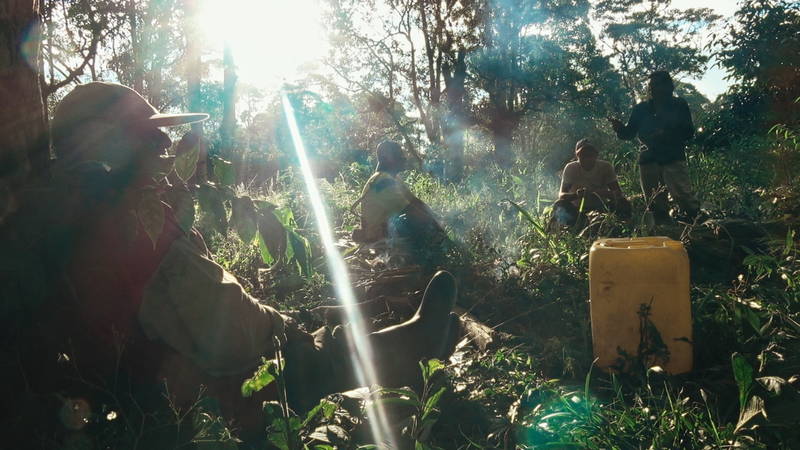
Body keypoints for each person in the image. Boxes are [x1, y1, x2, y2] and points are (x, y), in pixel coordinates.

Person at [13, 82, 458, 431]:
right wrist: (288, 331)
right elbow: (233, 335)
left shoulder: (67, 220)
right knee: (305, 361)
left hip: (130, 387)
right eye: (149, 138)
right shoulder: (133, 235)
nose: (165, 149)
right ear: (108, 151)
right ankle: (412, 348)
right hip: (184, 401)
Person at [609, 71, 702, 224]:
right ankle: (663, 230)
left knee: (684, 196)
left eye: (657, 85)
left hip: (672, 157)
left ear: (669, 86)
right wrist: (619, 128)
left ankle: (696, 226)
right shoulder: (641, 109)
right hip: (648, 159)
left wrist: (666, 133)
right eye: (651, 86)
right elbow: (629, 133)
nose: (653, 89)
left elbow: (688, 132)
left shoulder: (679, 105)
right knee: (654, 202)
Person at [351, 140, 445, 250]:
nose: (404, 158)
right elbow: (409, 210)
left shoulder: (392, 178)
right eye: (399, 155)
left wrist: (436, 217)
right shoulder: (383, 181)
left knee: (422, 219)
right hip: (377, 238)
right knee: (415, 222)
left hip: (386, 232)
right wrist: (437, 226)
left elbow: (414, 201)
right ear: (387, 158)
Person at [553, 139, 631, 226]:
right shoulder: (571, 168)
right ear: (577, 156)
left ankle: (623, 226)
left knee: (623, 203)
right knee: (560, 205)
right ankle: (571, 226)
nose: (587, 158)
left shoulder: (605, 167)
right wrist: (576, 195)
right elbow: (561, 195)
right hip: (577, 210)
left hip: (602, 208)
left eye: (590, 154)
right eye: (583, 155)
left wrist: (599, 193)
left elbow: (618, 193)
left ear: (596, 155)